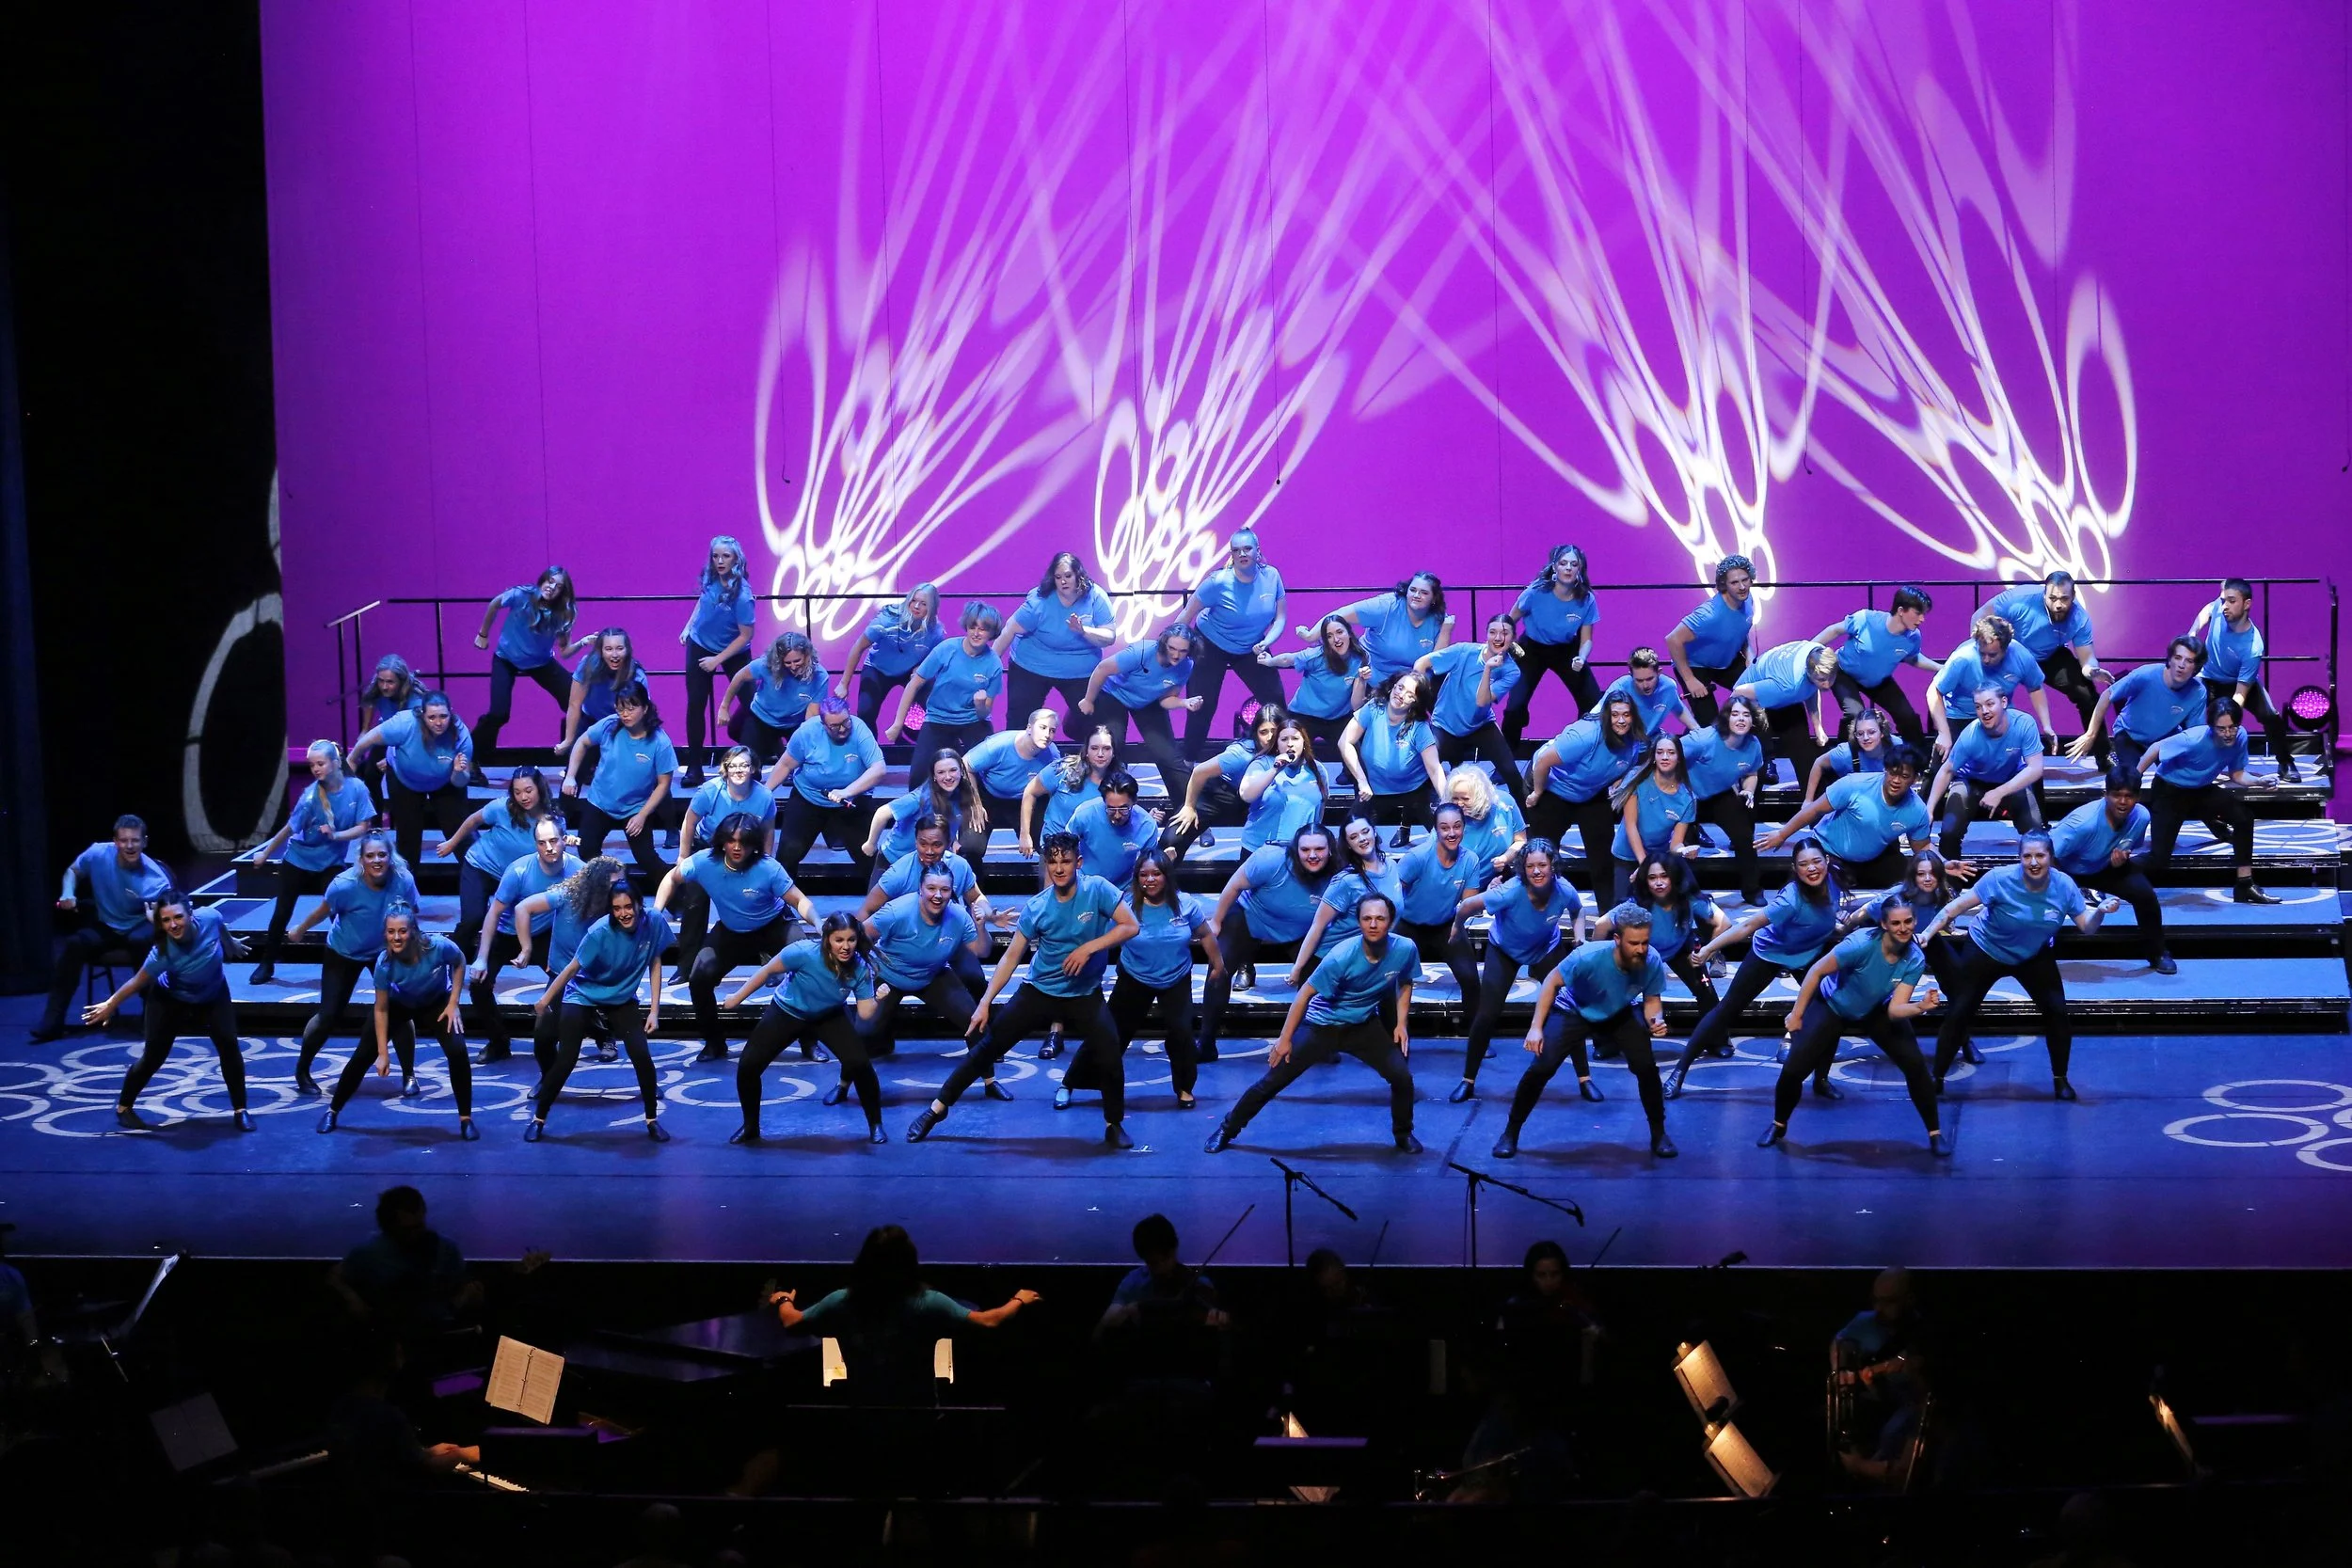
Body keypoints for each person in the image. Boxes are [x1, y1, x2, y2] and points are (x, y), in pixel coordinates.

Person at [908, 833, 1140, 1146]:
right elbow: (1010, 957)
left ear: (1079, 863)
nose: (1059, 868)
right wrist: (985, 1003)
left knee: (1110, 1053)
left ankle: (1113, 1124)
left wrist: (1088, 948)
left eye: (1066, 861)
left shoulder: (1097, 889)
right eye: (1053, 862)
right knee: (987, 1048)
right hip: (1039, 991)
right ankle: (937, 1109)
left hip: (1084, 994)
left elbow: (1130, 925)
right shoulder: (1038, 907)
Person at [1205, 893, 1423, 1154]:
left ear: (1390, 921)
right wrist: (1285, 1040)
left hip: (1363, 1025)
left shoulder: (1405, 949)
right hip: (1322, 1026)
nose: (1373, 924)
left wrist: (1400, 1024)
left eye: (1380, 918)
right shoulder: (1342, 956)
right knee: (1272, 1082)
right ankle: (1227, 1129)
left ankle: (1403, 1134)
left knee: (1402, 1078)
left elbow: (1406, 981)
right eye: (1367, 919)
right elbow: (1303, 995)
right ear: (1359, 922)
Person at [1921, 831, 2114, 1098]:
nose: (2034, 862)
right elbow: (1952, 909)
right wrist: (1927, 934)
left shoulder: (2064, 886)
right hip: (1986, 948)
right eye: (2027, 856)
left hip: (2032, 954)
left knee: (2057, 1012)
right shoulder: (1999, 879)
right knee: (1960, 1011)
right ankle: (1937, 1077)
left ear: (2050, 857)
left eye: (2040, 856)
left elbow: (2087, 927)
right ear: (2019, 858)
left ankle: (2060, 1079)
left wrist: (2100, 912)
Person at [765, 1226, 1040, 1405]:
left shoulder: (840, 1301)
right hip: (918, 1415)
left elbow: (792, 1321)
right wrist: (1019, 1300)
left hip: (863, 1412)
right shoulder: (930, 1303)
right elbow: (989, 1321)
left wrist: (784, 1300)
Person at [1760, 900, 1947, 1153]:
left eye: (1908, 922)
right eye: (1895, 923)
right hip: (1832, 1004)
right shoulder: (1860, 944)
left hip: (1875, 1008)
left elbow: (1895, 1010)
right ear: (1884, 924)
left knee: (1915, 1065)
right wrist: (1797, 1014)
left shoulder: (1914, 958)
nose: (1903, 928)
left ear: (1915, 922)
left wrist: (1921, 1007)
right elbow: (1816, 972)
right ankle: (1778, 1124)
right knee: (1795, 1069)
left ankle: (1935, 1134)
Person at [1492, 906, 1675, 1158]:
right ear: (1617, 939)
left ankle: (1659, 1133)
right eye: (1634, 943)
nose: (1641, 949)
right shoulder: (1588, 956)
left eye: (1645, 942)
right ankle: (1510, 1131)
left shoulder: (1651, 960)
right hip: (1574, 1009)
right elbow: (1551, 982)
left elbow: (1652, 1000)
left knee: (1646, 1067)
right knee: (1542, 1068)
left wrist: (1656, 1020)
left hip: (1619, 1010)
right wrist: (1535, 1028)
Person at [1669, 839, 1844, 1096]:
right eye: (1804, 864)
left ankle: (1822, 1080)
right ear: (1795, 868)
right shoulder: (1790, 900)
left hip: (1807, 956)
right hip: (1769, 954)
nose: (1812, 868)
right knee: (1726, 1010)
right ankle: (1679, 1072)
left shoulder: (1834, 880)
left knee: (1831, 1012)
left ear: (1827, 861)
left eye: (1817, 861)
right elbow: (1747, 926)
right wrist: (1709, 949)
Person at [656, 813, 819, 1063]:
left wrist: (817, 922)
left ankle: (809, 1042)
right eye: (731, 840)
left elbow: (799, 900)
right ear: (722, 841)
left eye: (744, 842)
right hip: (732, 930)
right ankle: (714, 1044)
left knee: (807, 969)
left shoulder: (768, 868)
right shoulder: (704, 862)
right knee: (699, 979)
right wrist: (656, 912)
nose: (737, 847)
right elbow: (671, 877)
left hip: (774, 925)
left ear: (754, 845)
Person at [84, 889, 252, 1132]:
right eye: (166, 920)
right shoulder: (162, 953)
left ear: (191, 913)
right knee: (154, 1056)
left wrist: (231, 944)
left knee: (229, 1044)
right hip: (170, 999)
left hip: (213, 994)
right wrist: (111, 1004)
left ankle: (240, 1110)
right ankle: (124, 1107)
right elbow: (136, 982)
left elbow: (220, 929)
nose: (173, 925)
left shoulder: (210, 917)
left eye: (178, 917)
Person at [1060, 851, 1216, 1112]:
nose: (1150, 880)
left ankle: (1184, 1088)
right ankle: (1070, 1083)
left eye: (1156, 874)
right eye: (1144, 875)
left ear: (1166, 875)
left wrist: (1218, 965)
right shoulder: (1126, 906)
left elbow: (1206, 934)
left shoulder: (1185, 903)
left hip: (1176, 977)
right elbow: (1103, 936)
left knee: (1182, 1032)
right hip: (1135, 976)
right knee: (1111, 1033)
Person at [529, 878, 673, 1142]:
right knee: (567, 1058)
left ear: (639, 905)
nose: (623, 913)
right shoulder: (599, 932)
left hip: (621, 996)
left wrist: (654, 1010)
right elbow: (572, 968)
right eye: (616, 908)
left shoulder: (654, 922)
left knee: (641, 1054)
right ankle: (539, 1118)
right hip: (583, 994)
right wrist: (545, 1000)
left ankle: (652, 1120)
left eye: (628, 906)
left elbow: (655, 962)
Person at [725, 916, 885, 1143]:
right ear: (827, 939)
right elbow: (767, 971)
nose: (846, 946)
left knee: (860, 1064)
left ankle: (875, 1125)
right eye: (839, 940)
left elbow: (866, 1013)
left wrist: (879, 999)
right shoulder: (803, 952)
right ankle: (750, 1126)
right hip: (787, 1011)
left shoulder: (860, 967)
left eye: (851, 940)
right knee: (748, 1066)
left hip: (828, 1015)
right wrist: (736, 998)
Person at [1449, 839, 1585, 1102]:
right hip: (1505, 950)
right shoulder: (1509, 892)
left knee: (1570, 1006)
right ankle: (1468, 1080)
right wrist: (1457, 926)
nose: (1537, 871)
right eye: (1530, 866)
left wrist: (1579, 941)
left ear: (1552, 866)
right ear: (1523, 868)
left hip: (1545, 948)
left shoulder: (1564, 889)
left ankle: (1584, 1078)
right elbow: (1467, 906)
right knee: (1487, 1014)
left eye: (1542, 865)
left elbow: (1577, 910)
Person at [287, 832, 421, 1098]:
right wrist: (301, 929)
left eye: (382, 855)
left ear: (390, 857)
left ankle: (409, 1075)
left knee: (400, 1011)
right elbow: (323, 911)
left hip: (385, 952)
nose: (376, 860)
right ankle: (302, 1070)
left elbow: (411, 914)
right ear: (361, 859)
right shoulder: (344, 885)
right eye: (370, 856)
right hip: (344, 951)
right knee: (329, 1015)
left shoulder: (403, 880)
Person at [324, 907, 475, 1138]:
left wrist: (453, 1002)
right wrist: (383, 1053)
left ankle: (466, 1119)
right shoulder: (384, 963)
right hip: (399, 1004)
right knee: (362, 1056)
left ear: (413, 931)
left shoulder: (438, 946)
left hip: (435, 1003)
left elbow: (460, 961)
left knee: (457, 1050)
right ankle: (333, 1110)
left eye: (402, 931)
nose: (396, 937)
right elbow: (381, 1008)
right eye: (391, 931)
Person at [1199, 823, 1337, 1060]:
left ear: (1330, 850)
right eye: (1305, 850)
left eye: (1319, 849)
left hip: (1301, 930)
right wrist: (1217, 921)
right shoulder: (1271, 859)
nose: (1312, 855)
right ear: (1295, 850)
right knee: (1219, 970)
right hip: (1251, 917)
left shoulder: (1339, 872)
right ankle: (1206, 1042)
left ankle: (1312, 1042)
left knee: (1320, 977)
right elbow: (1234, 884)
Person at [860, 864, 998, 1099]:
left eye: (944, 890)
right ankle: (843, 1084)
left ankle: (990, 1081)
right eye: (931, 888)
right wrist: (867, 972)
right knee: (864, 1031)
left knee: (975, 1020)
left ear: (951, 891)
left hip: (931, 975)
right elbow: (860, 935)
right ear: (920, 889)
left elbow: (982, 951)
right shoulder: (896, 911)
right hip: (889, 977)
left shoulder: (958, 915)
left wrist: (981, 927)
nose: (938, 895)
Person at [247, 740, 375, 985]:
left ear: (335, 763)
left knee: (338, 910)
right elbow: (289, 829)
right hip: (299, 860)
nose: (315, 769)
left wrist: (336, 835)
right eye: (312, 765)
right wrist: (265, 853)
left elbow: (363, 826)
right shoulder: (310, 797)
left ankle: (354, 962)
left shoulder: (357, 789)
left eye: (320, 763)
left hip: (331, 862)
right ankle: (267, 962)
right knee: (282, 912)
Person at [2139, 698, 2280, 904]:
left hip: (2200, 789)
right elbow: (2155, 749)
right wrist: (2133, 779)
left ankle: (2245, 885)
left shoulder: (2240, 737)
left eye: (2232, 727)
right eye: (2221, 729)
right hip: (2169, 792)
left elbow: (2237, 774)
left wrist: (2259, 782)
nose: (2228, 733)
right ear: (2212, 727)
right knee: (2159, 858)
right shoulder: (2193, 739)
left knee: (2243, 817)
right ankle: (2109, 872)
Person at [468, 815, 581, 1065]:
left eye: (553, 841)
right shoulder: (518, 871)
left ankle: (601, 1035)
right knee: (478, 984)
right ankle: (498, 1042)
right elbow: (493, 913)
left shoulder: (578, 870)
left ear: (564, 840)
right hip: (506, 933)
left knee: (571, 980)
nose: (548, 847)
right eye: (542, 843)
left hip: (544, 934)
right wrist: (481, 958)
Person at [1168, 529, 1288, 754]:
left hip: (1252, 646)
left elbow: (1280, 618)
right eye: (1236, 550)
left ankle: (1285, 754)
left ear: (1258, 551)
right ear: (1231, 554)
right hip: (1209, 645)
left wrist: (1266, 643)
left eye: (1247, 548)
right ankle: (1188, 761)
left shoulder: (1272, 576)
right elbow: (1186, 615)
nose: (1242, 554)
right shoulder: (1217, 582)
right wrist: (1167, 649)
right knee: (1202, 706)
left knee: (1276, 700)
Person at [435, 766, 562, 971]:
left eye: (528, 791)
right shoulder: (502, 807)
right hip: (480, 868)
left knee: (516, 922)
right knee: (474, 918)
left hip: (513, 878)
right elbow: (473, 820)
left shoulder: (553, 820)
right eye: (517, 792)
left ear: (539, 788)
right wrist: (452, 843)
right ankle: (448, 963)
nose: (523, 797)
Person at [2044, 768, 2169, 975]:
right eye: (2116, 795)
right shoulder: (2082, 824)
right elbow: (2046, 854)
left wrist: (2122, 860)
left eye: (2129, 796)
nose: (2123, 802)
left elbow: (2129, 845)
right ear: (2106, 794)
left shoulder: (2141, 817)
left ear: (2138, 797)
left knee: (2145, 895)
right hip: (2065, 870)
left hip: (2105, 866)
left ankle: (2158, 953)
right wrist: (2064, 885)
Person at [511, 856, 626, 1080]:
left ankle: (608, 1038)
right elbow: (522, 908)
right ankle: (548, 1081)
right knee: (544, 1037)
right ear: (598, 883)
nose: (620, 887)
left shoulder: (618, 905)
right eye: (614, 883)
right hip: (563, 976)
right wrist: (526, 949)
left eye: (622, 882)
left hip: (598, 977)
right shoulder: (568, 895)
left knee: (630, 1033)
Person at [1766, 744, 1934, 889]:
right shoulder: (1854, 784)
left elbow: (1923, 847)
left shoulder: (1917, 810)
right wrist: (1782, 834)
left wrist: (1943, 863)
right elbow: (1814, 810)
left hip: (1873, 860)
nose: (1896, 780)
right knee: (1806, 894)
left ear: (1915, 779)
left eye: (1904, 776)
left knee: (1915, 879)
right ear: (1885, 769)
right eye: (1892, 773)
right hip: (1830, 853)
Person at [563, 681, 678, 889]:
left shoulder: (660, 742)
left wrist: (642, 815)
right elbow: (582, 742)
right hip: (600, 802)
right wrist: (570, 776)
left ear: (645, 708)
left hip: (635, 808)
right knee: (586, 849)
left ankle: (678, 895)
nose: (625, 714)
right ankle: (608, 890)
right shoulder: (609, 726)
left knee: (647, 859)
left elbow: (663, 784)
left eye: (631, 708)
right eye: (621, 708)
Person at [1164, 705, 1315, 863]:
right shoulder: (1241, 754)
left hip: (1256, 800)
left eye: (1274, 731)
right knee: (1172, 840)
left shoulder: (1289, 752)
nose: (1270, 737)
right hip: (1219, 795)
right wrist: (1189, 806)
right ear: (1255, 733)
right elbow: (1199, 772)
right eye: (1263, 732)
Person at [2190, 576, 2301, 782]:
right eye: (2224, 600)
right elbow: (2208, 610)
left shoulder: (2253, 646)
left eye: (2232, 601)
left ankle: (2286, 762)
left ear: (2247, 604)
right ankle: (2188, 762)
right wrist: (2193, 632)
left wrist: (2228, 717)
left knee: (2270, 715)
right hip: (2208, 678)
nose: (2225, 605)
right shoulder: (2221, 607)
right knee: (2189, 713)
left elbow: (2241, 693)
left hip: (2238, 683)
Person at [1980, 571, 2102, 756]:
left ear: (2073, 596)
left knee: (2086, 693)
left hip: (2049, 656)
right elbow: (1981, 615)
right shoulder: (2020, 600)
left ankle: (2104, 755)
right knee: (1986, 697)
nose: (2058, 604)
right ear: (2044, 594)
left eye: (2064, 599)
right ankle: (1982, 753)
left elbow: (2087, 658)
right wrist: (1981, 653)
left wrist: (2092, 670)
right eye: (2052, 598)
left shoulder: (2080, 618)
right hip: (2014, 654)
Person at [1524, 693, 1646, 871]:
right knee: (1544, 856)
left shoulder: (1634, 738)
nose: (1621, 720)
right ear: (1606, 716)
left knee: (1603, 857)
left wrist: (1618, 781)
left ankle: (1608, 891)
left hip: (1591, 791)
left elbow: (1629, 765)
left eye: (1626, 715)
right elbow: (1543, 762)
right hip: (1552, 787)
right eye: (1615, 715)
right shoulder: (1585, 735)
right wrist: (1537, 792)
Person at [354, 691, 475, 867]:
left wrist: (458, 772)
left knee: (460, 833)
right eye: (432, 717)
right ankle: (406, 883)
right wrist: (351, 760)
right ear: (422, 715)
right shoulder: (404, 723)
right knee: (408, 837)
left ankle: (477, 878)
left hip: (444, 781)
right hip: (404, 779)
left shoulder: (461, 735)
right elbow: (368, 740)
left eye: (443, 716)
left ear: (451, 713)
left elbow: (460, 782)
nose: (438, 722)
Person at [1000, 551, 1119, 732]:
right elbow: (1009, 629)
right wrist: (990, 663)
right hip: (1031, 665)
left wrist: (1084, 630)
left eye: (1068, 576)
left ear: (1078, 575)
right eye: (1058, 577)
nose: (1063, 581)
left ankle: (1074, 732)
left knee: (1095, 722)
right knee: (1019, 722)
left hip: (1080, 670)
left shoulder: (1096, 597)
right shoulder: (1039, 601)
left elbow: (1110, 637)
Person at [767, 698, 888, 873]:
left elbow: (879, 768)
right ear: (823, 725)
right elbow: (785, 765)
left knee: (868, 857)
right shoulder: (807, 732)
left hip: (851, 801)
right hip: (809, 798)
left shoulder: (860, 729)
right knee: (788, 853)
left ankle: (881, 892)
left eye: (846, 722)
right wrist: (765, 792)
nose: (843, 729)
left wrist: (847, 792)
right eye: (835, 726)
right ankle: (783, 892)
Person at [472, 564, 586, 752]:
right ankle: (473, 755)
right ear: (543, 580)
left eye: (558, 586)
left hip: (540, 662)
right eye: (550, 581)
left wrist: (582, 642)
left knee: (576, 703)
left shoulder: (563, 612)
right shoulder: (521, 595)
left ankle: (571, 754)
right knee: (499, 713)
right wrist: (483, 634)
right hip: (506, 658)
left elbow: (565, 651)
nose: (552, 587)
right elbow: (494, 604)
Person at [892, 600, 1005, 787]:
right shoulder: (946, 649)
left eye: (983, 629)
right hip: (938, 718)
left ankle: (980, 806)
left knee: (987, 774)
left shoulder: (994, 664)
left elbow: (985, 712)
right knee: (918, 777)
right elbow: (914, 684)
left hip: (972, 721)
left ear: (992, 632)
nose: (976, 633)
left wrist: (979, 705)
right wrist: (897, 724)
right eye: (973, 627)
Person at [1081, 625, 1203, 797]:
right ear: (1163, 644)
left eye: (1182, 651)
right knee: (1113, 747)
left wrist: (1184, 702)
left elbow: (1166, 700)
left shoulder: (1186, 665)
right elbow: (1102, 669)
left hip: (1148, 701)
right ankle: (1108, 801)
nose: (1176, 655)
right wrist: (1088, 700)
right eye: (1172, 648)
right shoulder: (1141, 652)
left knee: (1168, 755)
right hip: (1114, 695)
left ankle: (1187, 807)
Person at [1925, 685, 2045, 860]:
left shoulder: (2024, 724)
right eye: (1978, 707)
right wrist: (1929, 809)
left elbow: (2035, 768)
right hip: (1971, 781)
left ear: (2004, 702)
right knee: (1949, 833)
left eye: (1990, 704)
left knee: (2036, 833)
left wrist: (1999, 792)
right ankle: (1950, 876)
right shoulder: (1971, 735)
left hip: (2009, 780)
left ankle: (2036, 875)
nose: (1984, 711)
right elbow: (1947, 770)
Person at [1597, 852, 1725, 1016]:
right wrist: (1601, 960)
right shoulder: (1635, 903)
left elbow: (1724, 923)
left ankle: (1712, 1032)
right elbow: (1601, 925)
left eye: (1664, 876)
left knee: (1707, 994)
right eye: (1652, 878)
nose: (1659, 882)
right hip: (1641, 952)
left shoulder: (1688, 898)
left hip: (1679, 948)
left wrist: (1708, 951)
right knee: (1616, 998)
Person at [1392, 803, 1486, 1026]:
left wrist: (1488, 895)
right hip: (1408, 927)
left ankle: (1476, 1037)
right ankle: (1392, 1034)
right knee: (1392, 981)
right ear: (1436, 830)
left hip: (1446, 927)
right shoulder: (1417, 857)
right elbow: (1391, 896)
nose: (1452, 833)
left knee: (1471, 979)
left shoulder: (1470, 860)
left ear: (1464, 828)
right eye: (1445, 828)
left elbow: (1469, 904)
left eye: (1457, 826)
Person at [1502, 544, 1601, 747]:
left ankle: (1584, 749)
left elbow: (1587, 639)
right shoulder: (1535, 591)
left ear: (1580, 568)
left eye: (1574, 564)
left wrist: (1582, 658)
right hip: (1531, 649)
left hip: (1566, 650)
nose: (1568, 568)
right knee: (1515, 705)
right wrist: (1508, 647)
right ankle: (1508, 756)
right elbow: (1509, 622)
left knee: (1593, 702)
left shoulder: (1586, 599)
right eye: (1563, 563)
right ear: (1554, 567)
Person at [1417, 614, 1524, 800]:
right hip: (1444, 725)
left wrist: (1488, 669)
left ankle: (1526, 816)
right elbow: (1421, 663)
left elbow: (1482, 701)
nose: (1498, 638)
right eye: (1493, 632)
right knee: (1422, 772)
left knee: (1511, 773)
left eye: (1505, 633)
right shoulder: (1464, 651)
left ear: (1513, 637)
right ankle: (1414, 817)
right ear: (1486, 635)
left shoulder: (1512, 671)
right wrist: (1419, 700)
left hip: (1480, 725)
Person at [2067, 637, 2208, 776]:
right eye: (2177, 658)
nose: (2181, 665)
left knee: (2181, 777)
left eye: (2189, 661)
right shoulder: (2146, 675)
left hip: (2164, 738)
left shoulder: (2198, 691)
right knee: (2129, 779)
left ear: (2196, 667)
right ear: (2170, 659)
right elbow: (2107, 695)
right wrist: (2091, 735)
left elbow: (2195, 732)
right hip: (2129, 734)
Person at [1813, 588, 1937, 745]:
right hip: (1844, 674)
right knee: (1855, 715)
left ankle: (1916, 757)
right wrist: (1807, 649)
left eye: (1923, 614)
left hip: (1878, 681)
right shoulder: (1866, 619)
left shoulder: (1913, 637)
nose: (1922, 619)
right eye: (1918, 613)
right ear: (1901, 611)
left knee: (1908, 717)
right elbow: (1835, 630)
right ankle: (1844, 755)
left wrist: (1940, 668)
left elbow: (1913, 658)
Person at [676, 537, 758, 775]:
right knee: (696, 704)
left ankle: (764, 759)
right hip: (700, 644)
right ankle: (694, 767)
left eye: (726, 556)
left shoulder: (742, 595)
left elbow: (746, 636)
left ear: (736, 559)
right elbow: (702, 603)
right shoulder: (710, 577)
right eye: (716, 556)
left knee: (753, 705)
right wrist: (688, 627)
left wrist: (717, 660)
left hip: (734, 651)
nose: (720, 561)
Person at [1341, 671, 1448, 847]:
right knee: (1349, 832)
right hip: (1375, 790)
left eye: (1410, 694)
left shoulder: (1420, 728)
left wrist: (1447, 803)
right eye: (1400, 687)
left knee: (1445, 835)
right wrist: (1362, 781)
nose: (1401, 695)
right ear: (1392, 687)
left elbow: (1435, 769)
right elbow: (1344, 742)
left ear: (1416, 702)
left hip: (1415, 791)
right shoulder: (1374, 707)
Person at [1682, 696, 1766, 904]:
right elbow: (1667, 755)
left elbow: (1751, 774)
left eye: (1746, 715)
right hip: (1687, 797)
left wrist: (1748, 791)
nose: (1741, 719)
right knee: (1684, 845)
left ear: (1752, 720)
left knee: (1744, 837)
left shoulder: (1753, 745)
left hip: (1719, 794)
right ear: (1726, 718)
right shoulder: (1704, 739)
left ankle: (1752, 890)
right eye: (1735, 714)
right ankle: (1686, 896)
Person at [1927, 616, 2052, 753]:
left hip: (1999, 716)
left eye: (1992, 655)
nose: (1986, 660)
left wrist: (2046, 726)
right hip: (1961, 714)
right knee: (1943, 762)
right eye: (1982, 653)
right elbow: (1934, 691)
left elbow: (2035, 688)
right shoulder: (1963, 658)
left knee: (2015, 760)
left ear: (2005, 649)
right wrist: (1944, 733)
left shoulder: (2020, 656)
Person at [839, 582, 946, 735]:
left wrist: (920, 667)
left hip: (909, 672)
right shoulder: (886, 621)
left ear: (932, 607)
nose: (916, 606)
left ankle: (915, 740)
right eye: (914, 601)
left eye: (923, 604)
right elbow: (858, 647)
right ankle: (871, 749)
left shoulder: (936, 632)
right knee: (865, 713)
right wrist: (844, 684)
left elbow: (934, 658)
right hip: (877, 668)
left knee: (932, 706)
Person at [1732, 638, 1841, 786]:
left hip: (1782, 696)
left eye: (1830, 678)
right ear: (1809, 673)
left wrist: (1818, 727)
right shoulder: (1789, 685)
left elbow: (1811, 689)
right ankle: (1750, 798)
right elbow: (1738, 691)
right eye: (1822, 680)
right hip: (1754, 700)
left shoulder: (1819, 654)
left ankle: (1812, 799)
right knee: (1759, 756)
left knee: (1804, 752)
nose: (1827, 684)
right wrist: (1733, 723)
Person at [1665, 554, 1758, 724]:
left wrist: (1748, 652)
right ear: (1724, 585)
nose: (1742, 587)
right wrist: (1690, 680)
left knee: (1756, 697)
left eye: (1745, 580)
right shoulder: (1709, 615)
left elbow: (1738, 629)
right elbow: (1672, 640)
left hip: (1725, 661)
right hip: (1695, 666)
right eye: (1734, 583)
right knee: (1709, 724)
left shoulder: (1747, 600)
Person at [1099, 1213, 1227, 1337]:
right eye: (1153, 1263)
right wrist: (1127, 1311)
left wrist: (1217, 1327)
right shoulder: (1133, 1282)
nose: (1161, 1268)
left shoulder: (1200, 1285)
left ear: (1175, 1248)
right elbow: (1101, 1332)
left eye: (1166, 1259)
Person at [865, 748, 988, 872]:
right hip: (894, 862)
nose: (948, 777)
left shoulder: (961, 794)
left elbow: (947, 820)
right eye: (941, 772)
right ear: (934, 776)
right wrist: (871, 844)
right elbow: (882, 813)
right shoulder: (920, 798)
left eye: (953, 770)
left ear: (961, 771)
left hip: (928, 864)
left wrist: (953, 842)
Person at [1609, 732, 1698, 902]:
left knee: (1688, 898)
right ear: (1654, 756)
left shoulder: (1688, 799)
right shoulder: (1637, 778)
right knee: (1621, 908)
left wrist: (1683, 850)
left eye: (1671, 753)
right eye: (1660, 752)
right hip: (1627, 854)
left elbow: (1675, 844)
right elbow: (1631, 826)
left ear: (1679, 758)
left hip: (1658, 857)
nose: (1665, 757)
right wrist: (1645, 866)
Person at [1262, 613, 1372, 751]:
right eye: (1329, 636)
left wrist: (1362, 680)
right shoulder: (1316, 656)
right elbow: (1287, 659)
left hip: (1338, 719)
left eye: (1339, 632)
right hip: (1304, 716)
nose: (1336, 639)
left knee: (1354, 757)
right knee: (1291, 754)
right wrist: (1269, 661)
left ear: (1349, 633)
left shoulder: (1360, 659)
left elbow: (1356, 706)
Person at [962, 710, 1067, 851]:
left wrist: (1026, 832)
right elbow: (964, 765)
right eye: (1042, 727)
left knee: (1050, 844)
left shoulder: (1052, 754)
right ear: (1029, 728)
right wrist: (975, 803)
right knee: (971, 847)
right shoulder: (998, 745)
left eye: (1052, 730)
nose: (1047, 735)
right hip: (988, 797)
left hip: (1025, 801)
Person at [1326, 572, 1455, 682]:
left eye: (1424, 593)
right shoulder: (1387, 605)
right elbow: (1335, 617)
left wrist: (1446, 631)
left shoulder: (1440, 620)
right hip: (1370, 678)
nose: (1416, 595)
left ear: (1434, 599)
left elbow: (1436, 665)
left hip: (1408, 686)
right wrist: (1314, 638)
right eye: (1413, 590)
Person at [723, 631, 828, 764]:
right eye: (788, 663)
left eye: (797, 661)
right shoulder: (766, 665)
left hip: (794, 723)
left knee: (804, 763)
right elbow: (740, 676)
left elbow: (811, 715)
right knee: (748, 765)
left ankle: (779, 752)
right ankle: (772, 748)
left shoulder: (820, 676)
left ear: (807, 655)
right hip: (762, 718)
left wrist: (808, 743)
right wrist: (724, 706)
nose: (793, 666)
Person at [1022, 724, 1119, 860]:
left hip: (1094, 854)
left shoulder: (1119, 782)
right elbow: (1030, 792)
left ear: (1113, 752)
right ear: (1086, 751)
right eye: (1094, 748)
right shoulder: (1063, 769)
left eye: (1106, 748)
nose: (1100, 754)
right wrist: (1025, 834)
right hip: (1055, 852)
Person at [558, 626, 649, 759]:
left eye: (620, 648)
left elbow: (642, 713)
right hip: (590, 722)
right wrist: (568, 740)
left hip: (622, 725)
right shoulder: (587, 666)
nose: (614, 655)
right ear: (600, 651)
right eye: (608, 649)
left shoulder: (637, 675)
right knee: (577, 766)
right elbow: (574, 704)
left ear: (627, 650)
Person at [351, 653, 423, 812]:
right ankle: (375, 822)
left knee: (395, 779)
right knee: (370, 774)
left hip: (409, 743)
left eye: (390, 682)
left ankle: (399, 820)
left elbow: (416, 734)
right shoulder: (377, 689)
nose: (384, 686)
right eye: (381, 681)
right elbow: (369, 701)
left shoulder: (414, 698)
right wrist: (365, 729)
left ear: (401, 681)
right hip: (388, 734)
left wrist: (392, 758)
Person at [1066, 769, 1161, 888]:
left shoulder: (1147, 825)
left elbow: (1149, 866)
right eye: (1111, 809)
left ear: (1134, 801)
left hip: (1124, 889)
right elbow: (1065, 849)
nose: (1117, 815)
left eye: (1123, 809)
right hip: (1085, 884)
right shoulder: (1084, 814)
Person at [1598, 646, 1694, 739]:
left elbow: (1679, 710)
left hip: (1651, 742)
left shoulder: (1668, 687)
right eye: (1639, 680)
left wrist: (1698, 731)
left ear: (1659, 672)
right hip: (1623, 742)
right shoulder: (1620, 687)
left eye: (1649, 679)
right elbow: (1597, 713)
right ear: (1631, 676)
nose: (1645, 685)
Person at [1451, 761, 1528, 875]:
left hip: (1499, 877)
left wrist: (1505, 858)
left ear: (1480, 796)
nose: (1459, 804)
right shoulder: (1447, 816)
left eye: (1465, 799)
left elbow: (1520, 840)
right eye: (1455, 798)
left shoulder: (1505, 803)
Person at [1804, 708, 1892, 804]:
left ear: (1882, 732)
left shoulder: (1896, 746)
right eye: (1860, 734)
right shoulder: (1845, 753)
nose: (1865, 738)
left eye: (1871, 732)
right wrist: (1808, 800)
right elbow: (1819, 763)